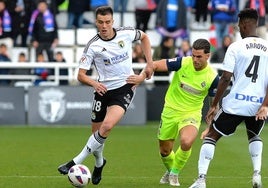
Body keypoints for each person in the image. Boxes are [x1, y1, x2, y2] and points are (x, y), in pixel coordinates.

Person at [57, 6, 154, 185]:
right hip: (102, 90)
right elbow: (80, 75)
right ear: (96, 22)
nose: (104, 26)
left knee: (107, 126)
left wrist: (149, 64)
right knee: (97, 135)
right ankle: (99, 163)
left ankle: (75, 161)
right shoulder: (93, 45)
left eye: (108, 22)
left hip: (125, 87)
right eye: (101, 22)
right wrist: (94, 83)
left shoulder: (126, 33)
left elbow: (145, 37)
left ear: (113, 22)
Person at [189, 8, 268, 188]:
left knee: (210, 136)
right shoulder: (267, 48)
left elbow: (225, 77)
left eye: (239, 25)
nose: (238, 28)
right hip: (257, 104)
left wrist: (214, 104)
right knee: (253, 135)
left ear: (245, 24)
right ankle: (257, 174)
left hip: (236, 103)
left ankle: (201, 180)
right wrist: (265, 105)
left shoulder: (236, 46)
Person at [127, 38, 219, 187]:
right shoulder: (182, 62)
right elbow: (155, 64)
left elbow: (214, 106)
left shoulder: (213, 77)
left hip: (191, 113)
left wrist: (210, 126)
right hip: (170, 110)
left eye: (199, 57)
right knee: (164, 151)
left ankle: (174, 174)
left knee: (186, 141)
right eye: (193, 55)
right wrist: (142, 77)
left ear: (207, 56)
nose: (194, 59)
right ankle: (171, 170)